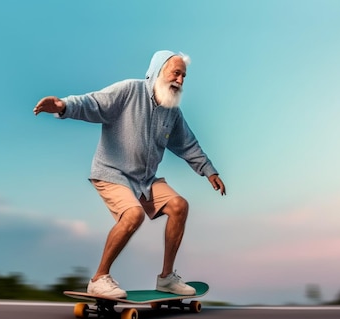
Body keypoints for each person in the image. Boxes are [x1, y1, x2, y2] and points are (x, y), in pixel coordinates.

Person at [33, 50, 226, 298]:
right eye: (176, 73)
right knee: (133, 214)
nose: (180, 80)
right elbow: (93, 103)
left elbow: (187, 144)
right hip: (112, 173)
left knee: (179, 206)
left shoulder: (171, 111)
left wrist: (209, 171)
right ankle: (99, 278)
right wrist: (64, 105)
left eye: (184, 76)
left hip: (144, 179)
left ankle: (167, 279)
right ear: (158, 71)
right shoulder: (129, 91)